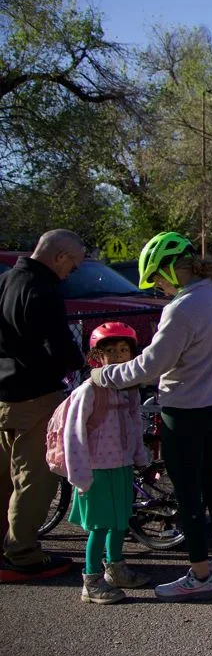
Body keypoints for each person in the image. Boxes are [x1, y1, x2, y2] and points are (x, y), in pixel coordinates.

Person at [89, 232, 212, 602]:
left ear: (171, 270)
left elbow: (150, 366)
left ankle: (200, 575)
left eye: (157, 280)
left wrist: (103, 375)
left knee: (188, 493)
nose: (158, 289)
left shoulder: (183, 307)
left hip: (188, 411)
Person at [0, 229, 87, 582]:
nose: (71, 273)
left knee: (2, 478)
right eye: (74, 265)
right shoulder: (43, 291)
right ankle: (22, 554)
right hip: (34, 396)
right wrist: (80, 360)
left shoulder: (6, 281)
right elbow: (60, 349)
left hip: (3, 393)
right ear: (60, 257)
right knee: (34, 480)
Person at [63, 322, 151, 604]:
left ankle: (116, 567)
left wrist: (139, 456)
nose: (117, 356)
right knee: (99, 526)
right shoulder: (88, 391)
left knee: (119, 521)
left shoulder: (129, 390)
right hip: (95, 469)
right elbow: (73, 434)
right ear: (96, 357)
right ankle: (91, 581)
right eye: (109, 351)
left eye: (124, 350)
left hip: (121, 465)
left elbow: (136, 423)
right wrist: (79, 475)